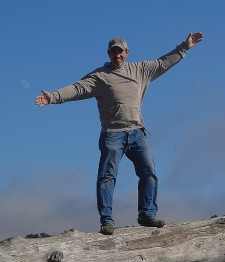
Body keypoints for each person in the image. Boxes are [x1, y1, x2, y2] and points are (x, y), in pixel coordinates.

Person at [35, 32, 203, 235]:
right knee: (107, 177)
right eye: (113, 52)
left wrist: (184, 47)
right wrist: (52, 97)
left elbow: (162, 63)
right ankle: (107, 220)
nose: (117, 56)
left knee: (149, 173)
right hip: (112, 135)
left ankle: (147, 214)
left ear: (126, 52)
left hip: (137, 132)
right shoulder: (100, 76)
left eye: (120, 52)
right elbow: (77, 89)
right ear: (109, 53)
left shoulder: (140, 70)